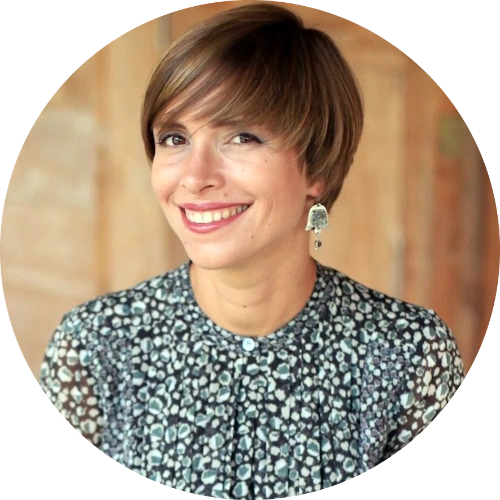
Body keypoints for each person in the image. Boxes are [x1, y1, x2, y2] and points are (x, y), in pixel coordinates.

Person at [40, 3, 465, 498]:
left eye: (242, 136)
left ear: (318, 170)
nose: (195, 176)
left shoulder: (410, 355)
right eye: (174, 138)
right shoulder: (94, 345)